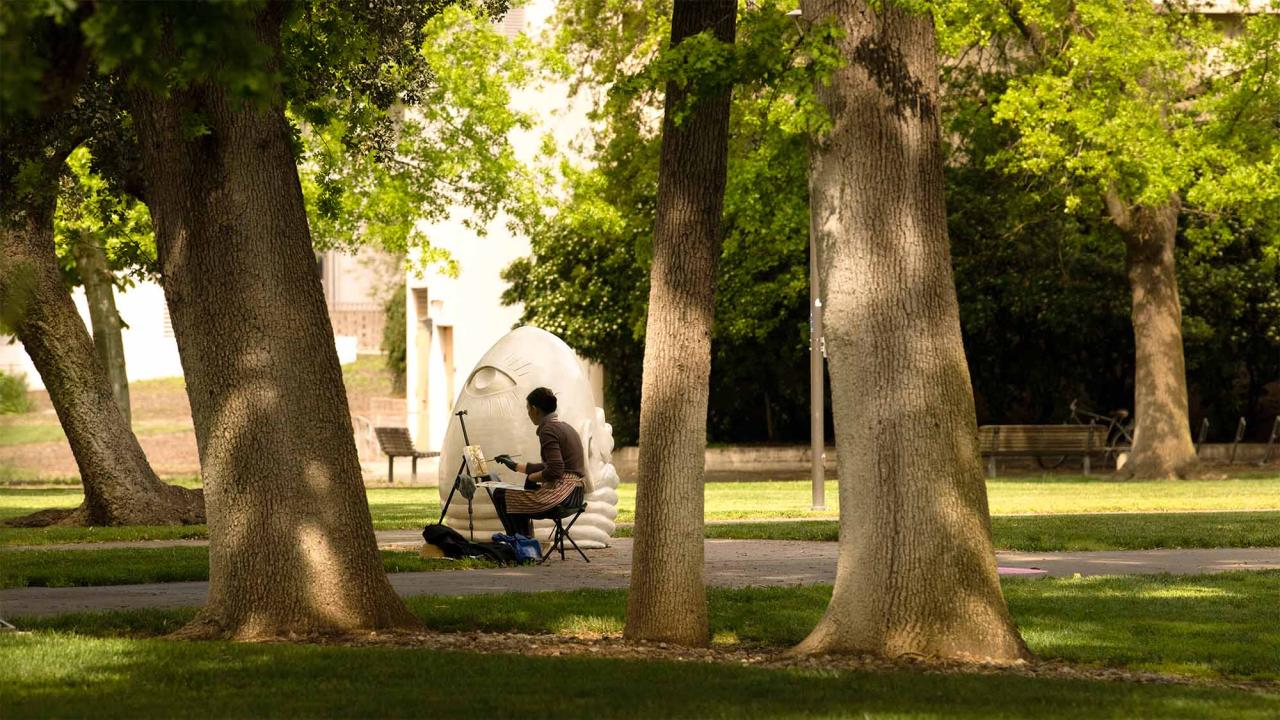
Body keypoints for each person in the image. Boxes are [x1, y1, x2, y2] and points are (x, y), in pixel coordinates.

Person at [491, 387, 585, 537]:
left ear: (534, 409)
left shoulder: (548, 430)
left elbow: (555, 470)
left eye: (528, 410)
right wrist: (514, 465)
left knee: (501, 495)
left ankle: (520, 543)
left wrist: (531, 477)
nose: (528, 414)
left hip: (563, 495)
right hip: (576, 493)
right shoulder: (565, 427)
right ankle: (525, 540)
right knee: (516, 496)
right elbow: (550, 466)